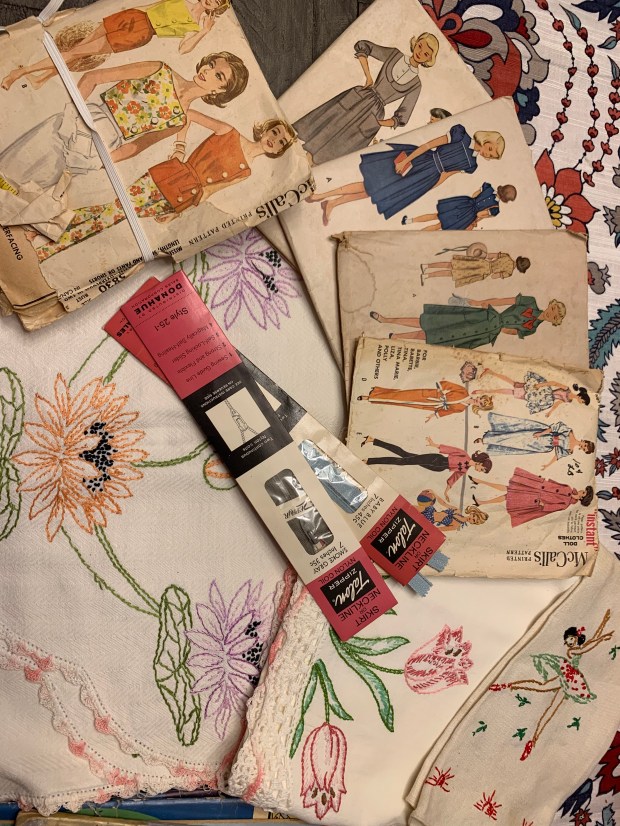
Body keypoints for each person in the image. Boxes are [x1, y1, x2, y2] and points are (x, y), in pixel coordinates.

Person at [30, 117, 297, 261]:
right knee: (113, 214)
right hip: (169, 175)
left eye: (281, 142)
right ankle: (48, 245)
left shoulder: (247, 172)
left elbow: (210, 191)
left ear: (280, 151)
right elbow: (188, 116)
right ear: (266, 129)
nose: (274, 140)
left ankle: (46, 229)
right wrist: (180, 148)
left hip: (182, 197)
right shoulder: (230, 131)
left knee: (112, 213)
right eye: (275, 133)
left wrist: (177, 213)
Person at [1, 0, 231, 90]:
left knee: (76, 52)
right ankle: (41, 79)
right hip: (132, 16)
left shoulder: (196, 24)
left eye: (217, 1)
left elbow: (184, 49)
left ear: (216, 8)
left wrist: (204, 32)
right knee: (77, 50)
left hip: (141, 33)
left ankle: (21, 72)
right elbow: (151, 5)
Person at [306, 125, 505, 224]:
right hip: (419, 160)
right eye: (490, 148)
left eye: (491, 155)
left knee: (375, 192)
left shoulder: (471, 165)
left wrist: (427, 188)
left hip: (425, 179)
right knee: (372, 184)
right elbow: (428, 145)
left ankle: (332, 203)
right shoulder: (460, 135)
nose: (487, 153)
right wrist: (406, 160)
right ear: (487, 139)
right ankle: (323, 195)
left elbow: (447, 175)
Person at [293, 34, 439, 166]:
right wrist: (368, 76)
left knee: (337, 150)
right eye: (420, 46)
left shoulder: (416, 85)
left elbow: (403, 115)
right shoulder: (395, 54)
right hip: (359, 97)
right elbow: (363, 46)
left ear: (428, 59)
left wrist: (379, 123)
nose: (420, 52)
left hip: (374, 114)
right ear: (415, 43)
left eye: (426, 53)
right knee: (325, 129)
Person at [489, 612, 614, 760]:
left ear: (576, 637)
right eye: (567, 641)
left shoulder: (578, 648)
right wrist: (601, 637)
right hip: (567, 680)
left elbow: (591, 643)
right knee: (543, 691)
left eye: (571, 639)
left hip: (571, 682)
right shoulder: (573, 651)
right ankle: (508, 687)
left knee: (549, 703)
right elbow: (587, 647)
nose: (569, 643)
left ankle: (532, 740)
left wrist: (603, 624)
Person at [367, 295, 566, 348]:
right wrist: (480, 303)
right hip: (484, 316)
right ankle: (386, 319)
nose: (551, 314)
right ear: (550, 305)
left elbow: (510, 332)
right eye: (553, 309)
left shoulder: (532, 330)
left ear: (554, 322)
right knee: (435, 321)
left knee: (441, 336)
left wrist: (495, 331)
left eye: (554, 317)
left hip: (486, 333)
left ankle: (397, 337)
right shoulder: (530, 301)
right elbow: (503, 301)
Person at [361, 434, 492, 501]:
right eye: (482, 469)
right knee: (403, 461)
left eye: (482, 471)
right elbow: (450, 449)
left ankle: (372, 442)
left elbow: (454, 478)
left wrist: (446, 492)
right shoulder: (464, 454)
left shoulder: (465, 470)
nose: (480, 471)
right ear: (480, 463)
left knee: (404, 455)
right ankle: (369, 459)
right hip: (436, 459)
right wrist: (434, 444)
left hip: (437, 468)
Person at [469, 467, 594, 527]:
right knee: (509, 488)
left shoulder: (566, 503)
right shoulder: (569, 488)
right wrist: (541, 480)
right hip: (537, 487)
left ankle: (481, 494)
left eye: (583, 493)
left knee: (508, 494)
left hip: (536, 498)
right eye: (584, 490)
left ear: (582, 497)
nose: (582, 490)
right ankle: (480, 489)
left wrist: (543, 505)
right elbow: (554, 483)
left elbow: (552, 508)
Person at [474, 412, 595, 470]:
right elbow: (554, 428)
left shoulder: (570, 451)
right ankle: (485, 439)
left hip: (542, 447)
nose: (583, 446)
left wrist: (547, 465)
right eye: (585, 445)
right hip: (544, 437)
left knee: (515, 444)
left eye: (584, 449)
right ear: (585, 441)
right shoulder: (570, 432)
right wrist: (541, 433)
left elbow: (557, 456)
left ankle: (488, 441)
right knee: (516, 436)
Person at [472, 368, 591, 417]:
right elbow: (553, 383)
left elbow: (557, 403)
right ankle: (490, 376)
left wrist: (550, 412)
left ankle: (489, 380)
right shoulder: (567, 389)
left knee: (512, 390)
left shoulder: (568, 400)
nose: (580, 402)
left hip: (539, 398)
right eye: (582, 401)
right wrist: (540, 385)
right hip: (538, 391)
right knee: (513, 385)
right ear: (581, 397)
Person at [357, 381, 493, 422]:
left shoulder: (461, 409)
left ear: (479, 407)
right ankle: (372, 395)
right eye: (481, 399)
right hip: (429, 395)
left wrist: (434, 415)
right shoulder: (463, 391)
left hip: (429, 405)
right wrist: (441, 391)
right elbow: (447, 385)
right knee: (402, 395)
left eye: (481, 403)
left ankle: (373, 397)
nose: (478, 400)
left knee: (402, 402)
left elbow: (447, 411)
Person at [403, 182, 516, 231]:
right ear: (505, 200)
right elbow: (479, 214)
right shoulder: (495, 209)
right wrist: (476, 221)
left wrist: (473, 201)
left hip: (464, 203)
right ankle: (418, 233)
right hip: (467, 215)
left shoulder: (488, 187)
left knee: (436, 215)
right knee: (439, 226)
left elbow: (474, 195)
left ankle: (409, 221)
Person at [421, 248, 530, 286]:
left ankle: (427, 266)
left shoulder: (506, 256)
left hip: (482, 263)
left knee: (451, 264)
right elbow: (494, 276)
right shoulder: (509, 273)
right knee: (452, 273)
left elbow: (489, 255)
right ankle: (427, 276)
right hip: (483, 272)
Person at [416, 489, 488, 531]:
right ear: (472, 513)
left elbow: (438, 529)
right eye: (473, 516)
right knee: (410, 508)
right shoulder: (457, 510)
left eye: (474, 520)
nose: (471, 518)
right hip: (430, 510)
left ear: (473, 523)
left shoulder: (455, 526)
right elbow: (444, 503)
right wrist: (434, 493)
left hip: (429, 519)